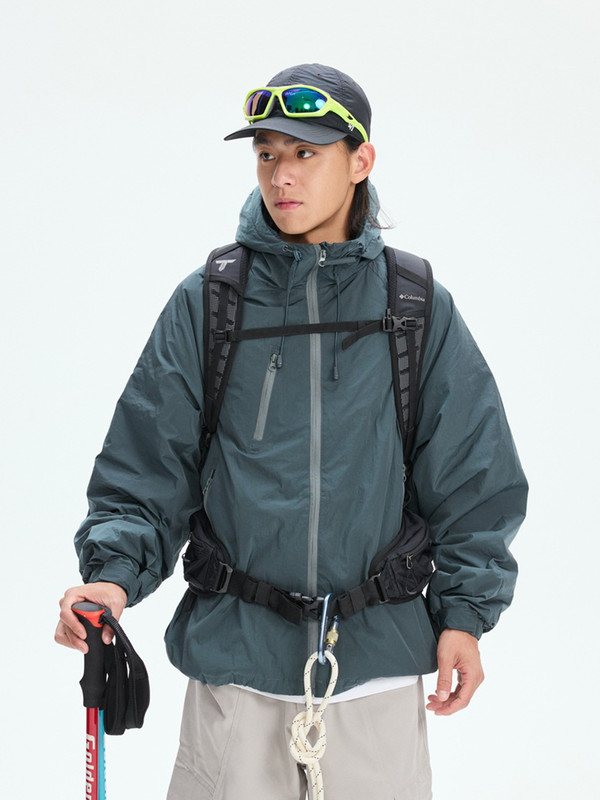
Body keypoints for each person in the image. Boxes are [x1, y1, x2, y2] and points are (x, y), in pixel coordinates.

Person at [55, 63, 528, 799]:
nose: (282, 175)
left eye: (306, 152)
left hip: (373, 675)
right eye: (267, 153)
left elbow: (474, 477)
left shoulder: (414, 306)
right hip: (237, 674)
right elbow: (146, 466)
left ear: (360, 160)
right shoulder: (210, 302)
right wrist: (112, 578)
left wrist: (464, 617)